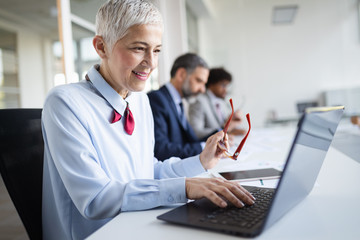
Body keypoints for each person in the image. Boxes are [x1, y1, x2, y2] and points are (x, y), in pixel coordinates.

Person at [41, 1, 254, 239]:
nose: (151, 63)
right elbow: (95, 199)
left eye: (157, 50)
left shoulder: (139, 100)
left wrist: (201, 162)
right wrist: (185, 187)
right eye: (138, 48)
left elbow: (147, 170)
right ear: (102, 47)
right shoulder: (65, 102)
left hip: (139, 223)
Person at [147, 53, 210, 161]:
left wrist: (216, 138)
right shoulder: (156, 99)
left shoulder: (178, 102)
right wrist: (204, 147)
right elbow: (160, 149)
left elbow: (190, 140)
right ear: (181, 75)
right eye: (199, 81)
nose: (202, 90)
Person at [189, 67, 245, 140]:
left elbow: (224, 126)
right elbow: (196, 132)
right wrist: (223, 130)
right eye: (223, 85)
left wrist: (231, 122)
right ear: (211, 84)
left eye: (227, 86)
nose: (226, 90)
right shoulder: (199, 102)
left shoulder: (220, 102)